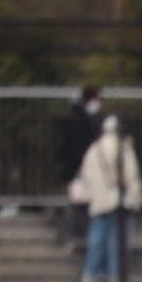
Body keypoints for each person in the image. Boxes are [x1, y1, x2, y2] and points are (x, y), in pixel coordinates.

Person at [76, 114, 142, 282]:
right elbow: (132, 176)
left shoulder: (93, 149)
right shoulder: (123, 148)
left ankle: (91, 273)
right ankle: (115, 276)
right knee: (116, 241)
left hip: (99, 201)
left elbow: (86, 175)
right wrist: (136, 198)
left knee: (97, 238)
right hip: (118, 200)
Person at [54, 84, 101, 241]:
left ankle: (75, 233)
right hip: (80, 167)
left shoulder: (73, 118)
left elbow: (62, 146)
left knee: (76, 201)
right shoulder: (84, 121)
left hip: (73, 168)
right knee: (82, 203)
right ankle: (79, 234)